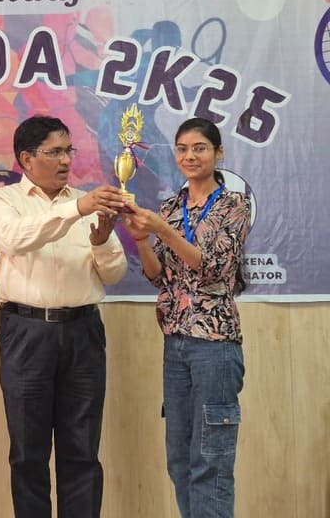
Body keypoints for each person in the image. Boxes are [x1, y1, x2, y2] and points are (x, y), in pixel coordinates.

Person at [0, 116, 128, 518]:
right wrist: (74, 210)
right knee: (27, 452)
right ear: (27, 159)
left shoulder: (87, 201)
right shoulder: (4, 199)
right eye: (55, 152)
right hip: (25, 332)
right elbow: (13, 238)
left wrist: (101, 242)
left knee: (82, 450)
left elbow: (115, 273)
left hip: (83, 331)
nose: (66, 160)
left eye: (69, 151)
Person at [120, 118, 251, 518]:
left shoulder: (234, 205)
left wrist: (163, 230)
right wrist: (142, 240)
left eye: (200, 148)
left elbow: (212, 268)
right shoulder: (170, 208)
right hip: (175, 343)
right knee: (179, 460)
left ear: (218, 153)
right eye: (182, 148)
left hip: (215, 346)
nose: (190, 156)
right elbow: (158, 276)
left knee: (210, 463)